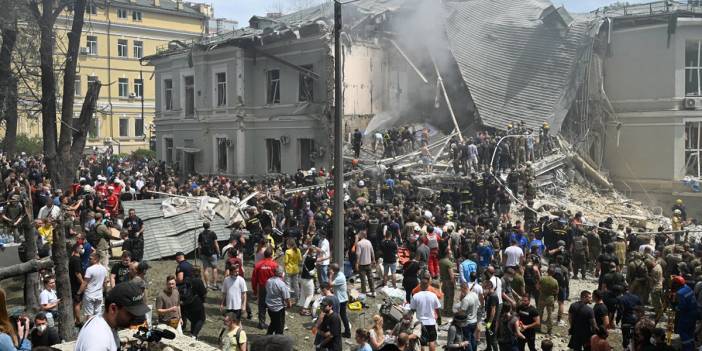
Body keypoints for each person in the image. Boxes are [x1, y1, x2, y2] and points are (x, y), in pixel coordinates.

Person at [75, 281, 150, 351]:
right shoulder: (98, 341)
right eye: (130, 313)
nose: (135, 317)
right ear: (113, 309)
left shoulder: (107, 323)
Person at [410, 273, 441, 351]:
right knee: (432, 341)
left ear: (420, 285)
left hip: (420, 322)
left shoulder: (416, 296)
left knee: (422, 343)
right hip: (431, 321)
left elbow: (412, 309)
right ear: (428, 285)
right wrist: (438, 318)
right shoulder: (433, 295)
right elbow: (437, 308)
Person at [252, 248, 278, 330]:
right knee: (273, 305)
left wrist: (255, 290)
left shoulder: (258, 265)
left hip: (262, 287)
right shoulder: (274, 265)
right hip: (272, 288)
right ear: (271, 255)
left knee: (262, 306)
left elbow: (254, 279)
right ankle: (274, 323)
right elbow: (278, 278)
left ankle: (261, 323)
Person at [79, 252, 108, 319]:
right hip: (99, 295)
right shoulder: (104, 269)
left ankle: (89, 328)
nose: (89, 260)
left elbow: (85, 283)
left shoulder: (89, 269)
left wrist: (79, 293)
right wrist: (105, 291)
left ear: (95, 259)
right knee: (98, 314)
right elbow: (105, 282)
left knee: (89, 315)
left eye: (90, 258)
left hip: (89, 294)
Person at [180, 267, 208, 339]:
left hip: (186, 304)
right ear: (199, 272)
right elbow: (204, 293)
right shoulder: (198, 281)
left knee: (193, 320)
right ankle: (194, 335)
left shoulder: (186, 280)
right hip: (196, 303)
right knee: (201, 319)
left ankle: (192, 333)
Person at [265, 266, 291, 335]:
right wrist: (289, 304)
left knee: (273, 322)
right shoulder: (281, 284)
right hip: (278, 308)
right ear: (282, 274)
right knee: (279, 326)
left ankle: (269, 335)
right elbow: (286, 297)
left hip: (270, 306)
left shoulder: (269, 280)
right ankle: (278, 340)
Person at [330, 263, 351, 338]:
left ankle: (346, 332)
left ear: (333, 270)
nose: (329, 270)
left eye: (330, 268)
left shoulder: (340, 277)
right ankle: (346, 332)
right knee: (340, 316)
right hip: (339, 299)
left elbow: (330, 284)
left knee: (341, 316)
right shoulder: (339, 273)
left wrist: (330, 275)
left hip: (341, 300)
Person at [198, 221, 220, 290]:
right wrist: (218, 252)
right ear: (209, 226)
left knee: (205, 269)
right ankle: (214, 284)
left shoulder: (201, 234)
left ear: (203, 226)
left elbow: (199, 246)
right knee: (214, 268)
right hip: (212, 253)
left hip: (204, 253)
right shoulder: (212, 233)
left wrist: (199, 253)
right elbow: (216, 244)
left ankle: (207, 285)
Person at [355, 231, 376, 297]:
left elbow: (358, 254)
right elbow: (372, 251)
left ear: (361, 236)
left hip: (362, 264)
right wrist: (374, 260)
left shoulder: (359, 243)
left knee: (363, 279)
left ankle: (363, 293)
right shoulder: (368, 242)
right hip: (368, 263)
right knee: (370, 278)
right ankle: (373, 292)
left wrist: (357, 263)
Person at [298, 243, 317, 316]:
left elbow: (304, 255)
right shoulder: (312, 259)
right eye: (314, 251)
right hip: (308, 280)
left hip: (302, 278)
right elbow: (318, 260)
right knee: (310, 295)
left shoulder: (305, 257)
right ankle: (304, 309)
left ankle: (303, 306)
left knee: (304, 293)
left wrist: (309, 249)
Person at [69, 242, 85, 326]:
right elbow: (77, 273)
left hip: (74, 284)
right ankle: (78, 321)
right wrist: (83, 283)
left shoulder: (72, 258)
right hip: (76, 285)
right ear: (76, 249)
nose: (83, 249)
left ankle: (75, 319)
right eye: (81, 248)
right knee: (77, 303)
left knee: (76, 303)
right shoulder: (76, 259)